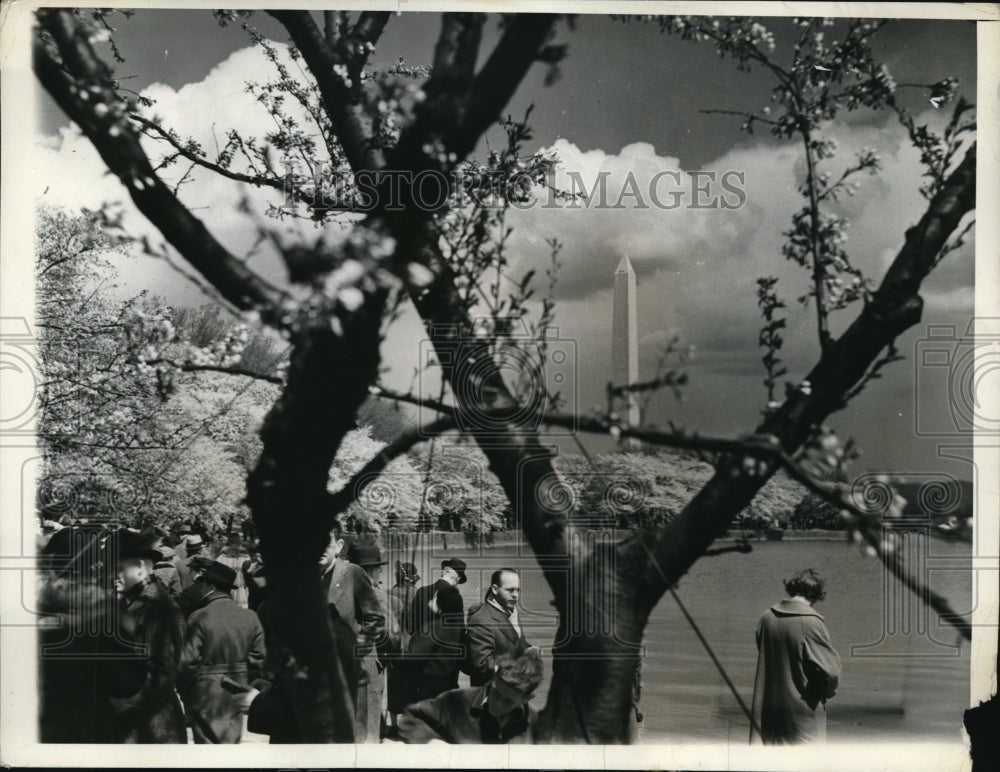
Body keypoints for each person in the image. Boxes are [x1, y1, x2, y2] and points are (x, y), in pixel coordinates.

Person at [111, 530, 188, 743]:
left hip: (152, 728)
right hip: (136, 726)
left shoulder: (159, 607)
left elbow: (162, 672)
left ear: (140, 567)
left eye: (117, 569)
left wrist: (122, 703)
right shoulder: (131, 601)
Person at [750, 569, 842, 745]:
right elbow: (831, 672)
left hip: (769, 711)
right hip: (802, 715)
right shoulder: (811, 622)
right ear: (815, 595)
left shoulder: (766, 617)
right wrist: (828, 692)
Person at [179, 561, 266, 743]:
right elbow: (260, 657)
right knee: (230, 748)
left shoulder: (200, 616)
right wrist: (243, 676)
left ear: (210, 587)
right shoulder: (250, 616)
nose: (200, 588)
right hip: (237, 693)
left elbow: (188, 662)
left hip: (205, 693)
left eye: (202, 584)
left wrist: (185, 691)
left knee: (208, 751)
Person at [320, 523, 386, 743]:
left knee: (359, 740)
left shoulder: (352, 573)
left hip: (358, 669)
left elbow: (375, 618)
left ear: (338, 546)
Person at [398, 645, 543, 744]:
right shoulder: (456, 700)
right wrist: (432, 743)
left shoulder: (536, 723)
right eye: (496, 692)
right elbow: (410, 717)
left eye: (508, 701)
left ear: (526, 699)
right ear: (494, 678)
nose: (497, 704)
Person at [402, 558, 468, 704]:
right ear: (457, 578)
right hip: (445, 666)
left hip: (420, 661)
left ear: (443, 572)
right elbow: (459, 631)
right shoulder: (454, 597)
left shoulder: (421, 592)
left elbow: (410, 625)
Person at [352, 543, 390, 742]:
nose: (380, 571)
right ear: (371, 571)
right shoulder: (378, 597)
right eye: (378, 567)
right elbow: (393, 635)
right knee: (370, 728)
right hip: (370, 662)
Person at [466, 568, 527, 686]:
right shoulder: (481, 620)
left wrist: (529, 650)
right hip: (493, 696)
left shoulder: (511, 612)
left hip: (514, 693)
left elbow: (515, 642)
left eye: (518, 590)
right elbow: (482, 665)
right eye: (510, 590)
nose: (515, 595)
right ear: (495, 589)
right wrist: (521, 660)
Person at [385, 561, 420, 735]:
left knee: (393, 685)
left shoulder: (389, 592)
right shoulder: (416, 594)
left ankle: (393, 724)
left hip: (393, 646)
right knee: (411, 686)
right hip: (411, 646)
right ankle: (409, 724)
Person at [214, 531, 251, 608]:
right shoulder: (246, 557)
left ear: (228, 543)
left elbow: (216, 576)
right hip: (241, 591)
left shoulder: (220, 558)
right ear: (239, 543)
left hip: (225, 591)